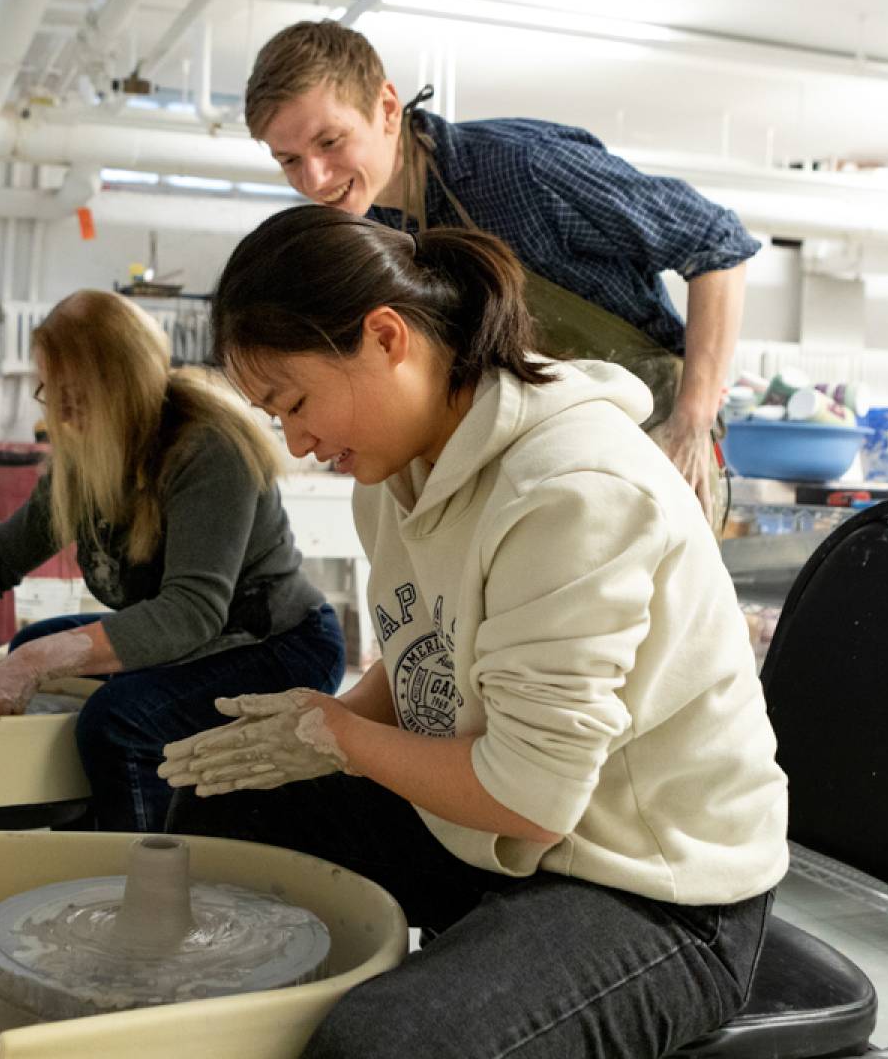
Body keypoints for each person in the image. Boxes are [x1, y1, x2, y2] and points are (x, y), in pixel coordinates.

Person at [159, 206, 788, 1058]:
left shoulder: (571, 488)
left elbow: (529, 799)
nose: (298, 444)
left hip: (653, 884)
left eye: (296, 403)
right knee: (218, 798)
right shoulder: (393, 474)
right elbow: (429, 652)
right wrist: (327, 722)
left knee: (379, 1047)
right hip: (504, 833)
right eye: (276, 417)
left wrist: (339, 737)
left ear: (386, 337)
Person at [245, 19, 760, 525]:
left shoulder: (522, 167)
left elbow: (716, 243)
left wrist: (692, 421)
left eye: (330, 142)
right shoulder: (370, 227)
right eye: (289, 160)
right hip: (540, 454)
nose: (313, 178)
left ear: (385, 108)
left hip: (654, 435)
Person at [0, 290, 345, 833]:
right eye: (52, 391)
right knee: (31, 648)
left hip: (278, 643)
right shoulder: (85, 459)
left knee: (116, 720)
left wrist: (35, 664)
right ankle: (81, 836)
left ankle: (140, 878)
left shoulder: (206, 448)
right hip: (202, 638)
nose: (62, 412)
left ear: (125, 384)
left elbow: (192, 613)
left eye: (77, 393)